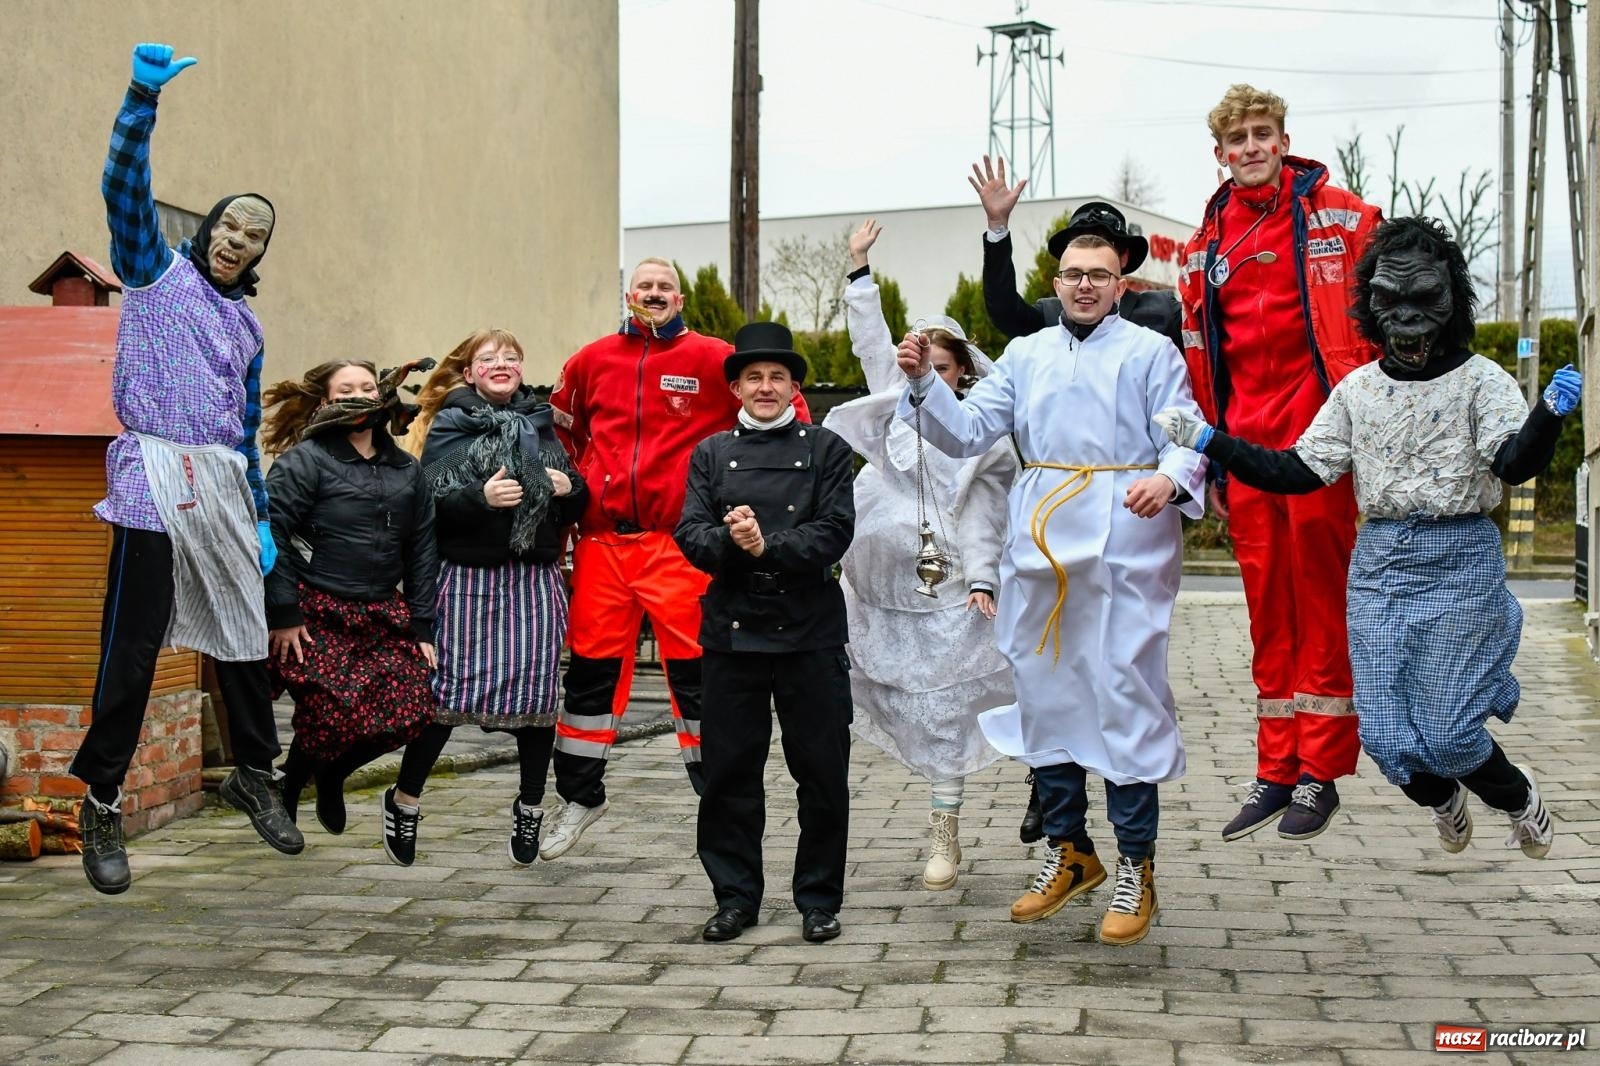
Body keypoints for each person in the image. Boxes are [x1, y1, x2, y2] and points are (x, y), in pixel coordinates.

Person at [1156, 216, 1570, 862]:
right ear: (1369, 304)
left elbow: (1514, 464)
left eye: (1424, 297)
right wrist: (1211, 440)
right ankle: (1441, 800)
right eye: (1390, 298)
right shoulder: (1358, 390)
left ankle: (1519, 801)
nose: (1407, 315)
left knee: (1450, 733)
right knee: (1384, 736)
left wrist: (1547, 415)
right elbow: (1297, 470)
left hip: (1459, 560)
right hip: (1379, 565)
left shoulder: (1482, 380)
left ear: (1452, 298)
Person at [897, 234, 1208, 947]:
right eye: (1073, 274)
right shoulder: (1026, 353)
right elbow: (969, 430)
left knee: (1123, 692)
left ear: (1121, 282)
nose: (1084, 286)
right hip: (1040, 538)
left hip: (1126, 534)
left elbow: (1186, 434)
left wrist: (1170, 477)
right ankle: (1069, 850)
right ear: (1057, 281)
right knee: (1044, 690)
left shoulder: (1150, 353)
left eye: (1099, 275)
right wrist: (922, 384)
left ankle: (1137, 863)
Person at [74, 42, 301, 895]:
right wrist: (140, 100)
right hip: (154, 471)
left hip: (222, 481)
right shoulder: (155, 272)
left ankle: (252, 770)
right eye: (230, 225)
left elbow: (245, 432)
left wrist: (263, 518)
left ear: (258, 254)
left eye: (255, 236)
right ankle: (102, 797)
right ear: (207, 229)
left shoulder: (248, 331)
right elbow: (122, 190)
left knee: (244, 636)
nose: (238, 241)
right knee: (134, 647)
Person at [542, 259, 808, 860]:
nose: (654, 293)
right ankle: (580, 795)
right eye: (645, 286)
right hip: (603, 544)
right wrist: (579, 484)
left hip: (680, 544)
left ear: (679, 297)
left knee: (698, 677)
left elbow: (787, 420)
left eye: (665, 286)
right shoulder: (589, 361)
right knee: (589, 674)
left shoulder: (714, 357)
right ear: (630, 295)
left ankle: (720, 799)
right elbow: (563, 433)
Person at [1177, 84, 1383, 842]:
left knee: (1321, 604)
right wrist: (1216, 465)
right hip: (1246, 448)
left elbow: (1389, 314)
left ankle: (1320, 772)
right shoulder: (1203, 249)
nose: (1252, 147)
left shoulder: (1343, 215)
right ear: (1221, 153)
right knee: (1267, 611)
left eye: (1264, 133)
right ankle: (1275, 767)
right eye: (1238, 139)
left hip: (1323, 442)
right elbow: (1203, 367)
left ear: (1283, 137)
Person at [823, 219, 1014, 891]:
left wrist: (987, 575)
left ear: (960, 373)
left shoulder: (979, 429)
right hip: (880, 579)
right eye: (919, 367)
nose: (926, 377)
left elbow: (992, 501)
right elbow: (871, 342)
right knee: (883, 691)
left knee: (945, 710)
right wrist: (859, 270)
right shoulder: (894, 403)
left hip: (952, 586)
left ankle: (945, 829)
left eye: (941, 368)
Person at [675, 321, 856, 944]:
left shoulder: (828, 449)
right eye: (753, 377)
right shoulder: (710, 454)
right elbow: (690, 533)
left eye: (778, 377)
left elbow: (835, 531)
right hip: (732, 636)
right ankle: (734, 897)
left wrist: (766, 544)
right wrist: (732, 540)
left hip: (810, 635)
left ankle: (818, 898)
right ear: (736, 389)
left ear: (794, 387)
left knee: (823, 773)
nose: (766, 387)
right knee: (729, 775)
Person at [384, 329, 587, 867]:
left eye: (511, 357)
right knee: (445, 697)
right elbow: (429, 501)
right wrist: (482, 497)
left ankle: (531, 806)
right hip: (468, 581)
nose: (502, 364)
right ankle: (405, 800)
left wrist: (570, 490)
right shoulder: (451, 422)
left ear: (521, 369)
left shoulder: (542, 424)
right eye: (488, 358)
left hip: (533, 581)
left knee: (537, 701)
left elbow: (578, 494)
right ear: (470, 373)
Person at [260, 359, 438, 852]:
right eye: (345, 390)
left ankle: (328, 772)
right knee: (332, 708)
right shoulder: (307, 460)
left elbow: (423, 547)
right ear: (325, 403)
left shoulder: (407, 469)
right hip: (315, 609)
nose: (358, 397)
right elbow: (271, 531)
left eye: (366, 387)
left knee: (413, 709)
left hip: (382, 610)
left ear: (381, 396)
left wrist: (423, 626)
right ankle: (293, 787)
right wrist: (284, 613)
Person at [970, 155, 1183, 350]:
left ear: (1124, 257)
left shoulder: (1163, 311)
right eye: (1080, 243)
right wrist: (998, 226)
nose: (1091, 251)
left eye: (1103, 243)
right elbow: (1004, 310)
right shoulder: (1051, 316)